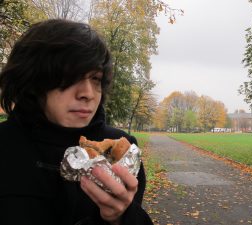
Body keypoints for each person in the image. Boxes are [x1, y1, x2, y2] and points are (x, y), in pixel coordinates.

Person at [0, 19, 153, 225]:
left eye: (96, 79)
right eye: (71, 77)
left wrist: (121, 218)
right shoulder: (5, 145)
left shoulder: (121, 149)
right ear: (33, 80)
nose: (87, 94)